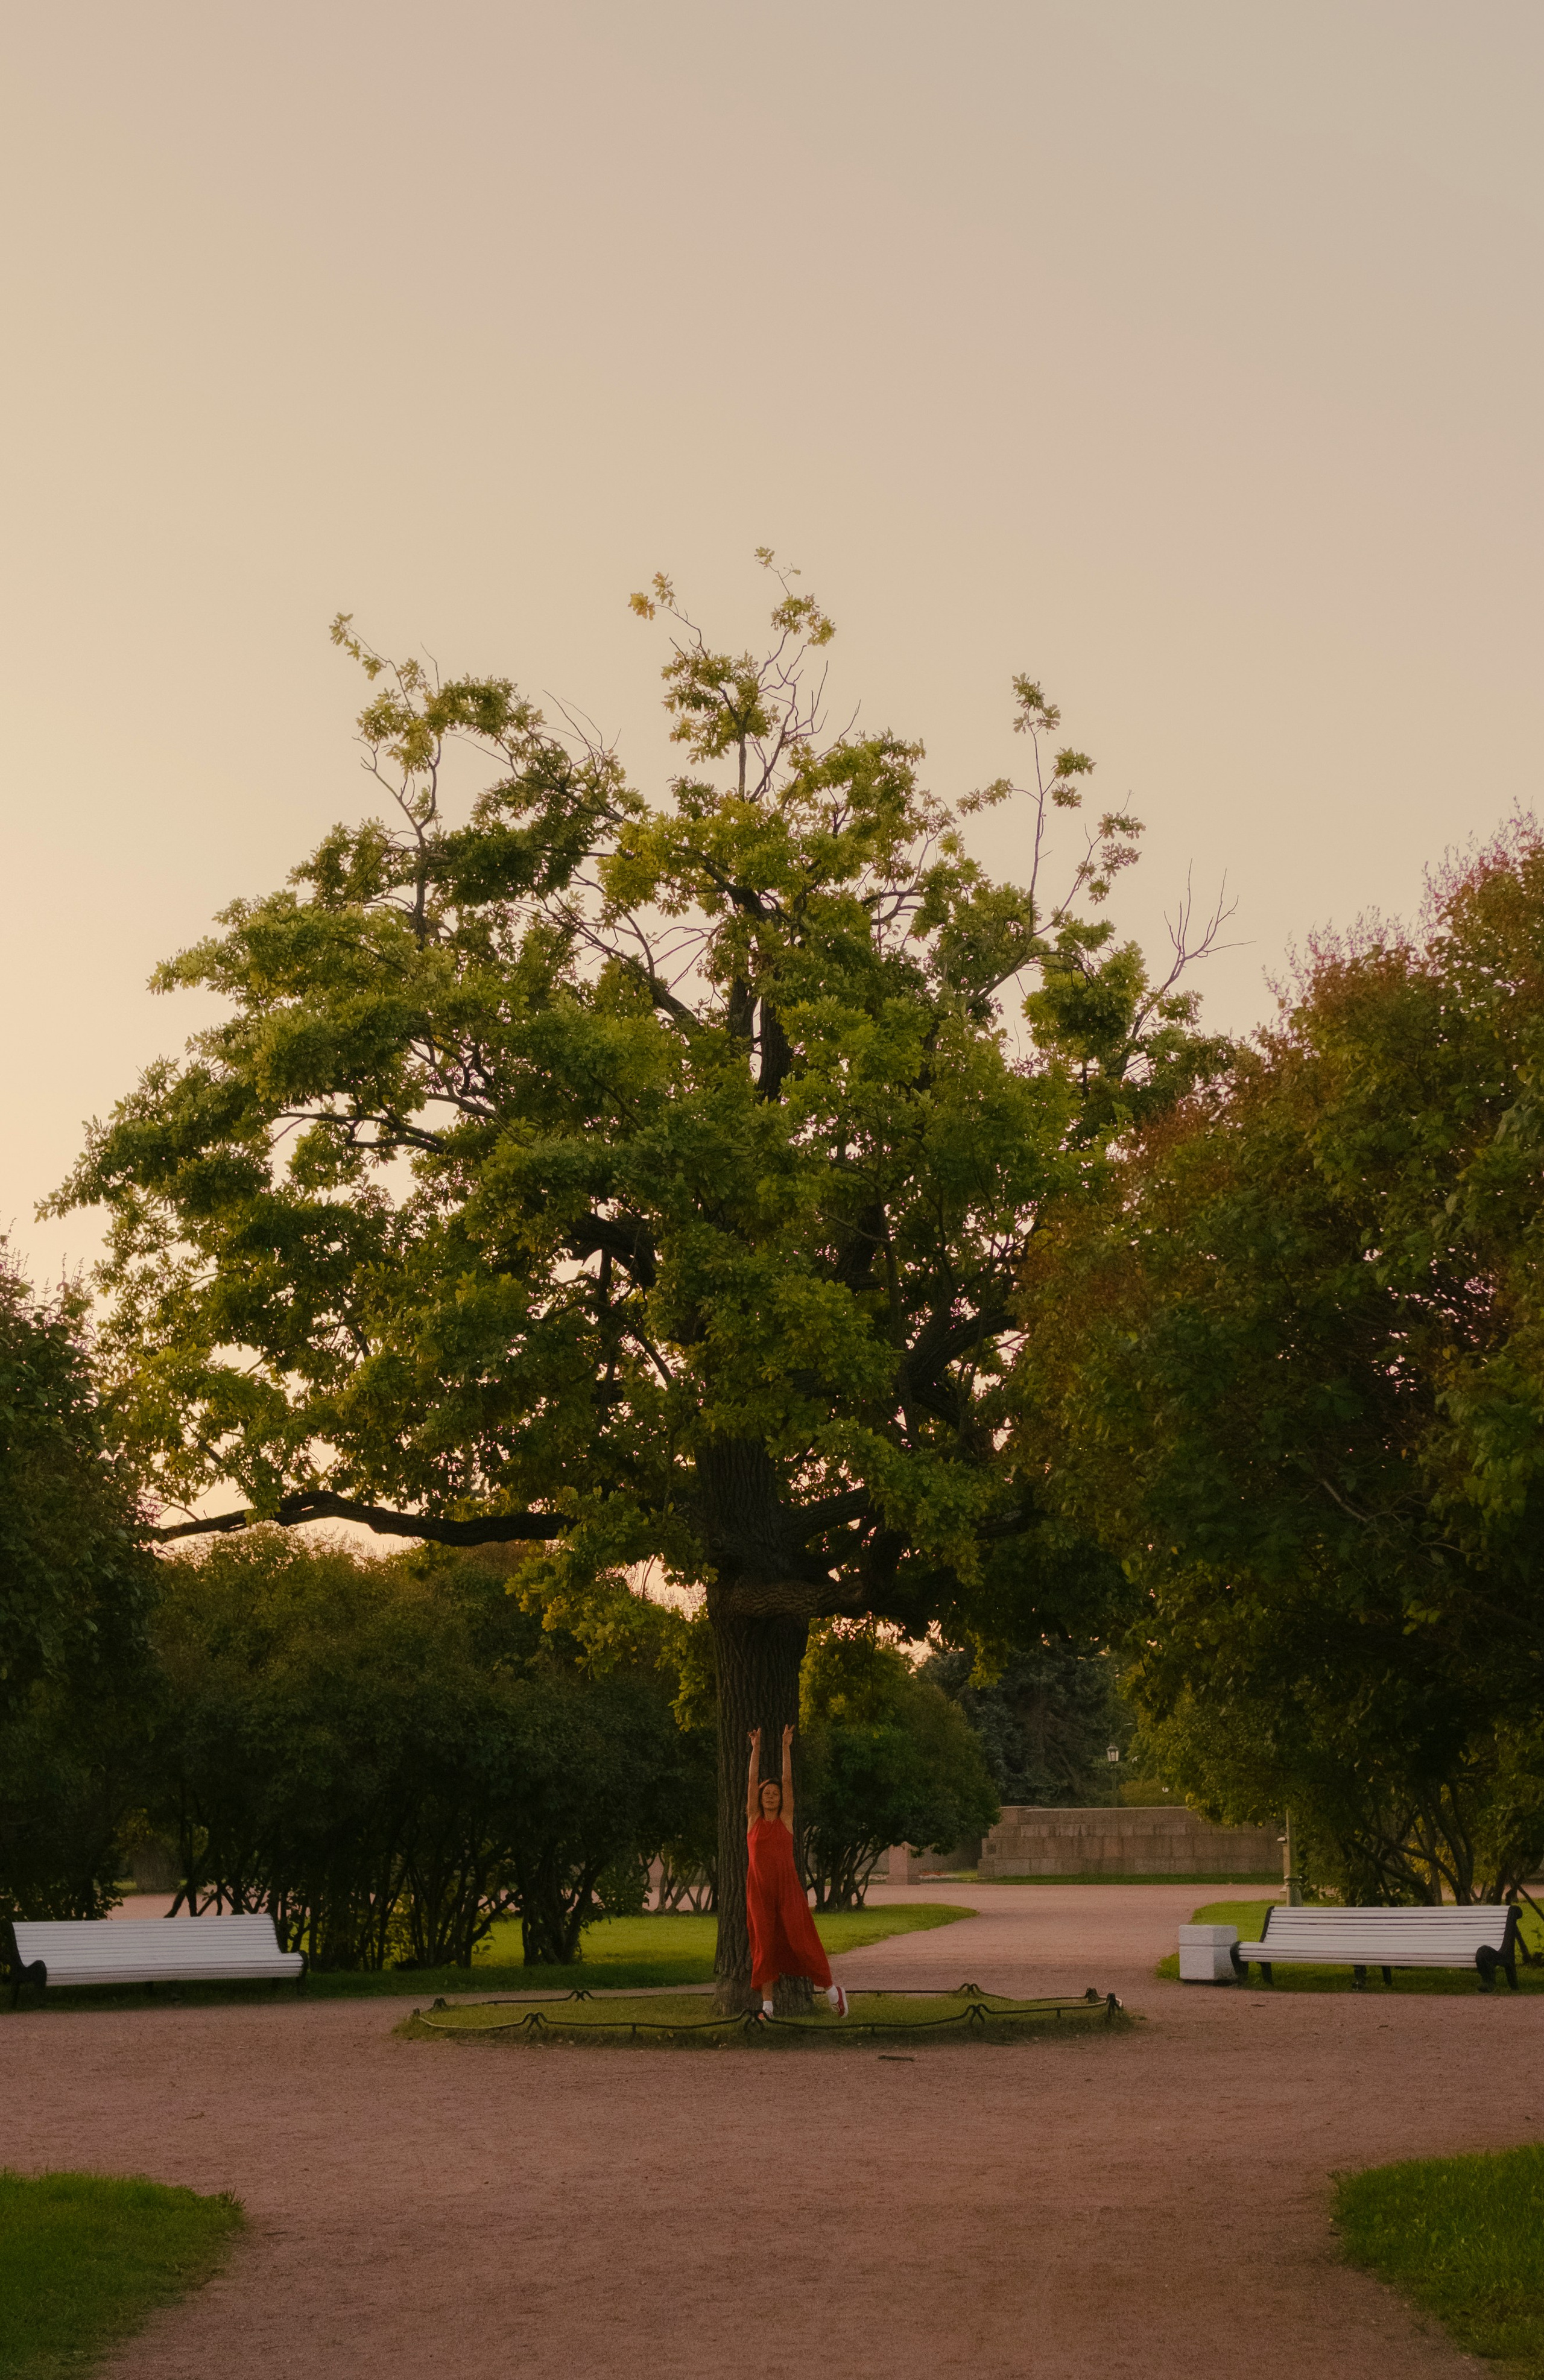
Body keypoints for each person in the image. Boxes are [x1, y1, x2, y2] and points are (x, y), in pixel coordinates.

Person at [746, 1722, 849, 2020]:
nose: (771, 1796)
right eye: (767, 1793)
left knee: (801, 1939)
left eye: (775, 1794)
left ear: (781, 1800)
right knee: (763, 1946)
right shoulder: (753, 1820)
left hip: (788, 1888)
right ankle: (768, 2008)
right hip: (759, 1890)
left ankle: (832, 1991)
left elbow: (788, 1782)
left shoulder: (786, 1820)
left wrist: (785, 1747)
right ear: (760, 1797)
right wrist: (755, 1749)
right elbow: (751, 1781)